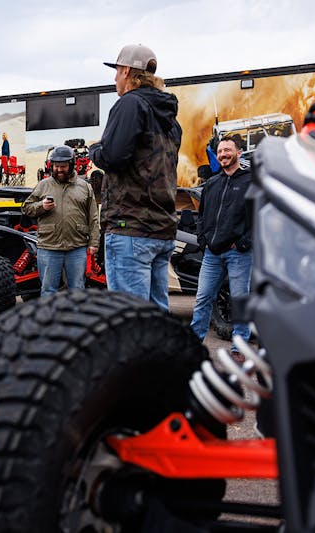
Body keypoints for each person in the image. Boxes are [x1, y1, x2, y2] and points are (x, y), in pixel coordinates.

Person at [89, 44, 182, 312]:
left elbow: (114, 156)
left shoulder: (129, 104)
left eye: (117, 71)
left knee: (130, 319)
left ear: (128, 71)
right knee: (155, 318)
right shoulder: (170, 119)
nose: (115, 78)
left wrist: (95, 150)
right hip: (161, 229)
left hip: (131, 227)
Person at [190, 137, 253, 349]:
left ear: (239, 153)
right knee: (203, 298)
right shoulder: (212, 183)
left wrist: (244, 243)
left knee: (239, 301)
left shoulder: (250, 181)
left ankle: (240, 347)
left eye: (228, 150)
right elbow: (202, 215)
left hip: (239, 254)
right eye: (220, 151)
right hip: (212, 253)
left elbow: (260, 217)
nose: (223, 154)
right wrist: (203, 240)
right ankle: (192, 343)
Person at [23, 145, 100, 297]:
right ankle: (50, 320)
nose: (59, 170)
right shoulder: (43, 185)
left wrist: (94, 243)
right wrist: (41, 206)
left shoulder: (85, 187)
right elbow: (27, 208)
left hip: (77, 247)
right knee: (48, 290)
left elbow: (93, 217)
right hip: (49, 247)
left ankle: (73, 320)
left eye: (63, 166)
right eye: (56, 166)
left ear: (71, 165)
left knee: (77, 289)